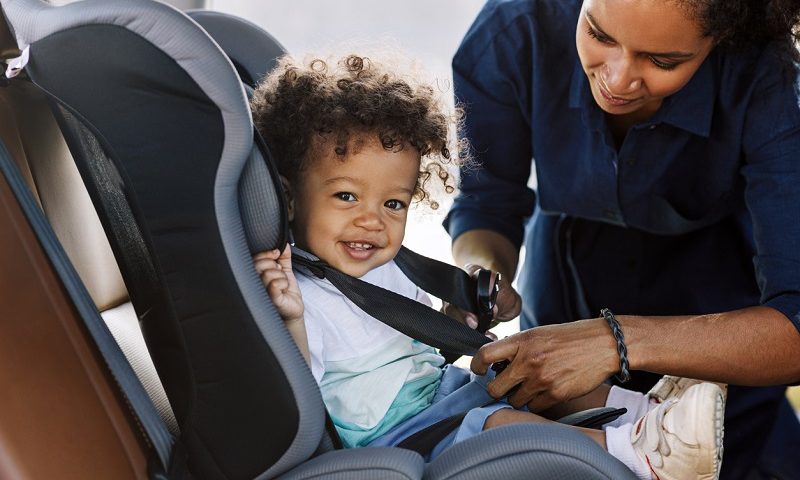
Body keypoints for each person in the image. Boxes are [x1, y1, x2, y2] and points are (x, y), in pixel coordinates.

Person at [250, 53, 726, 479]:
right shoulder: (299, 293)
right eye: (346, 196)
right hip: (395, 433)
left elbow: (411, 353)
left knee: (534, 371)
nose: (371, 221)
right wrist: (290, 319)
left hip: (439, 395)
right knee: (499, 424)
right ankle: (643, 453)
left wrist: (454, 322)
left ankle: (653, 414)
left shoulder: (384, 266)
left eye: (394, 203)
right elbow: (299, 399)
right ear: (290, 198)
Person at [444, 0, 800, 478]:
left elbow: (795, 322)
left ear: (723, 39)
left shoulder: (768, 76)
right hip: (563, 286)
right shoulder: (514, 31)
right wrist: (479, 276)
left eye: (662, 61)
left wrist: (614, 340)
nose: (616, 79)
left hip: (723, 316)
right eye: (599, 35)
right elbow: (486, 205)